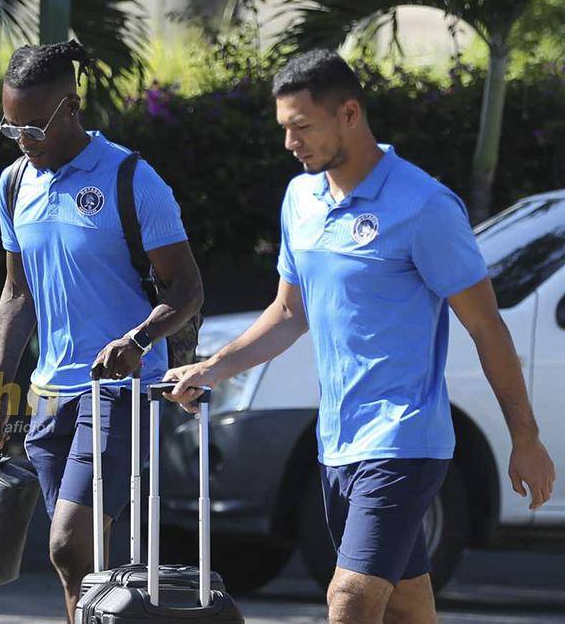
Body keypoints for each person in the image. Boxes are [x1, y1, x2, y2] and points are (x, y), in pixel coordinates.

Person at [162, 49, 555, 624]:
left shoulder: (424, 205)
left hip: (404, 439)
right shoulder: (300, 199)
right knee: (407, 604)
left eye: (302, 126)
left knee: (350, 597)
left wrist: (526, 437)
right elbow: (289, 312)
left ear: (349, 114)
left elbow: (486, 326)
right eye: (284, 127)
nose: (290, 142)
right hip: (336, 440)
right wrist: (213, 368)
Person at [0, 40, 203, 622]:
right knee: (80, 566)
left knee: (68, 544)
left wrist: (138, 341)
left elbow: (186, 290)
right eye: (11, 128)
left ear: (71, 109)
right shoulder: (13, 184)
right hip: (49, 393)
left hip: (119, 390)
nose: (23, 141)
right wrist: (1, 387)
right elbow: (17, 292)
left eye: (34, 127)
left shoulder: (132, 178)